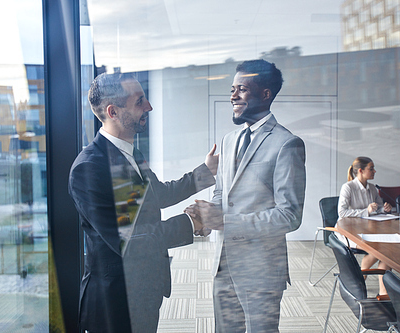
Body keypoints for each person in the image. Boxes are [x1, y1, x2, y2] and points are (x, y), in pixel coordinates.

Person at [68, 72, 217, 333]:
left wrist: (205, 172)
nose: (149, 106)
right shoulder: (89, 168)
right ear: (113, 112)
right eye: (139, 101)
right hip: (114, 303)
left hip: (143, 290)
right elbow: (128, 240)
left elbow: (156, 194)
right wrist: (191, 223)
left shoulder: (129, 153)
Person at [186, 59, 306, 332]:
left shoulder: (287, 144)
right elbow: (222, 191)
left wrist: (226, 221)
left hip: (260, 270)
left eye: (241, 89)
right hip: (223, 264)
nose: (232, 96)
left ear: (265, 94)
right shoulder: (229, 140)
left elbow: (290, 216)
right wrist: (205, 217)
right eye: (232, 89)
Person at [337, 156, 391, 296]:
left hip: (369, 230)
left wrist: (384, 209)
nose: (374, 171)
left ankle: (379, 290)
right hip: (349, 232)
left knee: (385, 250)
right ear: (360, 170)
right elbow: (342, 213)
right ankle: (368, 281)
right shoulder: (348, 187)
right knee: (381, 250)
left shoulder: (372, 188)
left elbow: (377, 209)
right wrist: (366, 210)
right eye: (371, 168)